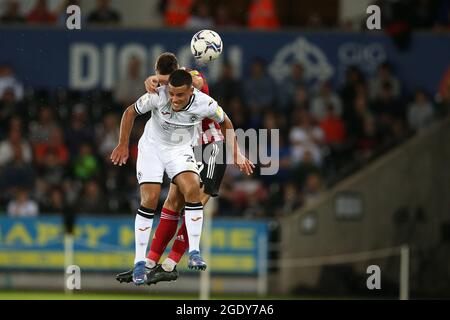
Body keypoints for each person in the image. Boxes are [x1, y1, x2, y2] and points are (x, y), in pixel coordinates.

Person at [111, 68, 254, 285]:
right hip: (188, 146)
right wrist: (154, 81)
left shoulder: (193, 83)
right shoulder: (169, 91)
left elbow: (195, 80)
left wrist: (236, 153)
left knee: (195, 200)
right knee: (171, 203)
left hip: (212, 147)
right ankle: (149, 263)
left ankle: (170, 264)